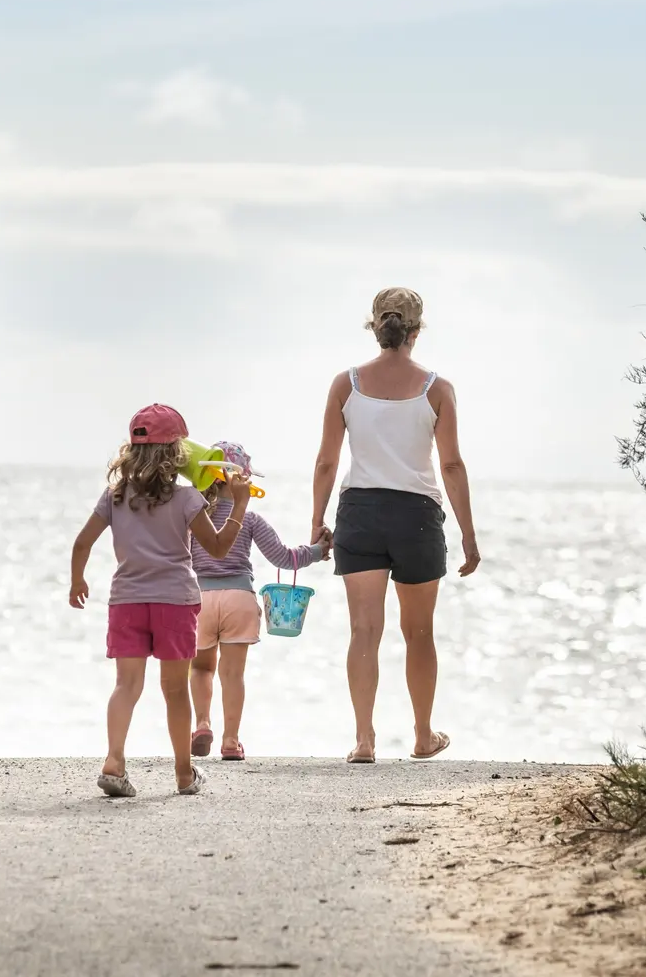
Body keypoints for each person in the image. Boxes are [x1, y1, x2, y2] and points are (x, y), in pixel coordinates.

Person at [310, 287, 479, 765]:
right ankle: (423, 736)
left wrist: (317, 519)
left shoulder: (346, 384)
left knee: (364, 630)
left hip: (359, 512)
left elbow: (327, 461)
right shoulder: (437, 389)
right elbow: (451, 466)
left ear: (375, 326)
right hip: (417, 517)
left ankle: (364, 741)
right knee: (419, 632)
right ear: (416, 330)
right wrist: (467, 534)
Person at [68, 405, 251, 798]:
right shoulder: (186, 499)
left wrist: (76, 580)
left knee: (126, 686)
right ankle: (185, 774)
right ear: (179, 454)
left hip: (127, 600)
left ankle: (114, 762)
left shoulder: (115, 495)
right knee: (175, 690)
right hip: (175, 603)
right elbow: (217, 549)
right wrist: (238, 505)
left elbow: (82, 542)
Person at [187, 442, 330, 761]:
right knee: (233, 674)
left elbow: (178, 557)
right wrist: (318, 551)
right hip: (239, 599)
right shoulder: (249, 520)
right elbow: (284, 557)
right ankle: (230, 741)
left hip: (199, 600)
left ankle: (202, 724)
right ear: (241, 480)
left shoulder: (193, 517)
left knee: (200, 668)